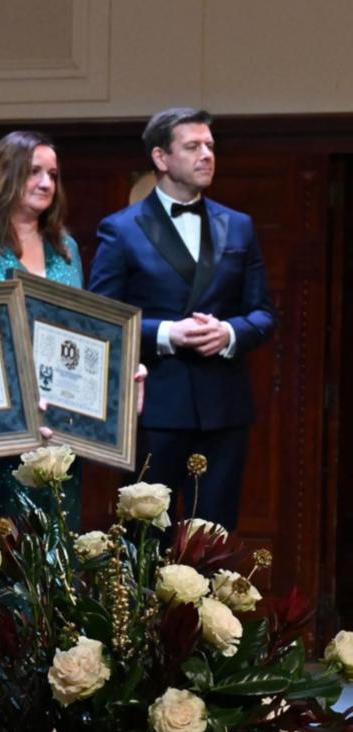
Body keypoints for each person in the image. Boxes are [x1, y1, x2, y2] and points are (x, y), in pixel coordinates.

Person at [87, 108, 274, 531]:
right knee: (146, 539)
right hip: (156, 408)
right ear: (161, 157)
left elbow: (263, 313)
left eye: (210, 146)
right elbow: (101, 319)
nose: (206, 154)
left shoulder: (239, 226)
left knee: (213, 538)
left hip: (224, 408)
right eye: (192, 146)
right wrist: (170, 333)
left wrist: (229, 332)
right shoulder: (122, 229)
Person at [0, 131, 83, 531]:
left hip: (60, 421)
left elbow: (81, 328)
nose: (46, 183)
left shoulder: (65, 247)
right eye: (34, 172)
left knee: (57, 539)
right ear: (4, 173)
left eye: (53, 174)